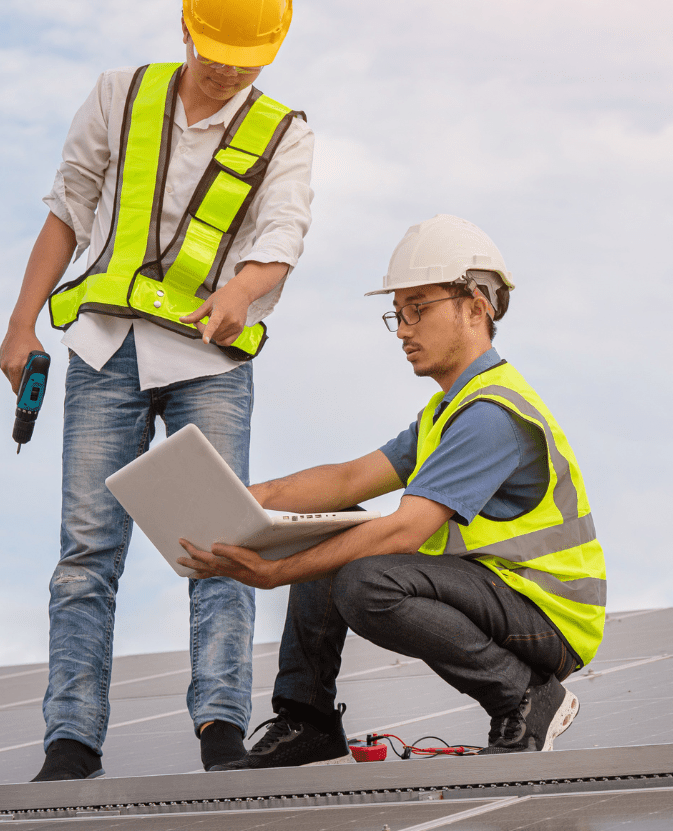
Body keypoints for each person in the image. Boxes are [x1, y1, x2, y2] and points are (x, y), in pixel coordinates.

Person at [0, 0, 314, 781]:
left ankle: (221, 730)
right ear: (186, 23)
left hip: (209, 361)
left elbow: (281, 238)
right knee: (86, 550)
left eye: (244, 61)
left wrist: (242, 289)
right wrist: (20, 324)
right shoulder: (118, 97)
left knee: (221, 546)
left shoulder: (283, 133)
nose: (225, 72)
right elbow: (67, 210)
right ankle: (70, 741)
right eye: (214, 53)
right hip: (105, 347)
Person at [178, 214, 607, 769]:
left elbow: (407, 529)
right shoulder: (447, 412)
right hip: (499, 597)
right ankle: (308, 719)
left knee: (366, 580)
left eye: (419, 308)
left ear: (477, 307)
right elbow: (349, 480)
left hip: (547, 617)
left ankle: (527, 696)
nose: (403, 328)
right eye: (398, 313)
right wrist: (241, 497)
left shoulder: (490, 415)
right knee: (340, 522)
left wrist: (277, 572)